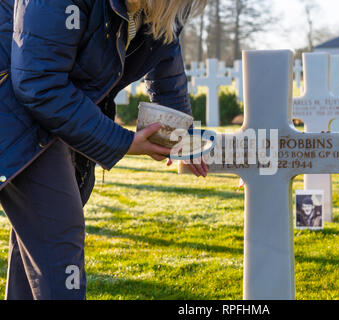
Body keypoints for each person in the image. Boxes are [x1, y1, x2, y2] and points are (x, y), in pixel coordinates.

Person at [0, 0, 208, 300]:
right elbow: (38, 83)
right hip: (15, 107)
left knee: (41, 248)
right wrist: (124, 142)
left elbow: (166, 61)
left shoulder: (160, 9)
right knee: (59, 238)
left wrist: (180, 138)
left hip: (53, 109)